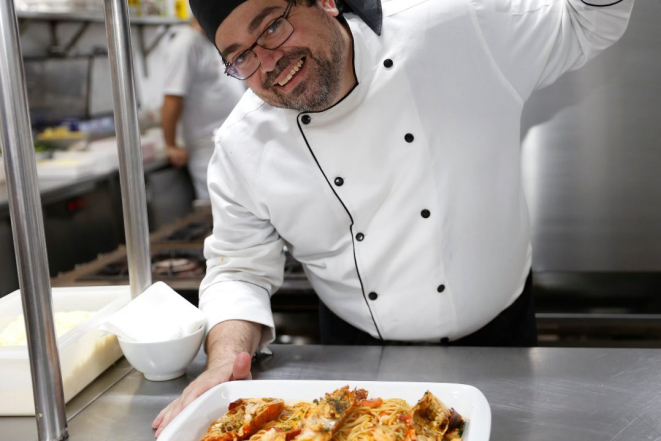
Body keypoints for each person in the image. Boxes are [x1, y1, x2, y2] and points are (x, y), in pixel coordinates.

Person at [152, 0, 634, 435]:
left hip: (503, 341)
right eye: (241, 56)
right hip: (357, 362)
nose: (268, 63)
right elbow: (239, 270)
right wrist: (221, 364)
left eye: (274, 26)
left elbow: (589, 19)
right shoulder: (242, 145)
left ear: (326, 1)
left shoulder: (455, 33)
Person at [161, 18, 246, 200]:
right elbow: (172, 97)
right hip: (208, 147)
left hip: (234, 140)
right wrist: (170, 145)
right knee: (219, 208)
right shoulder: (186, 44)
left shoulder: (214, 40)